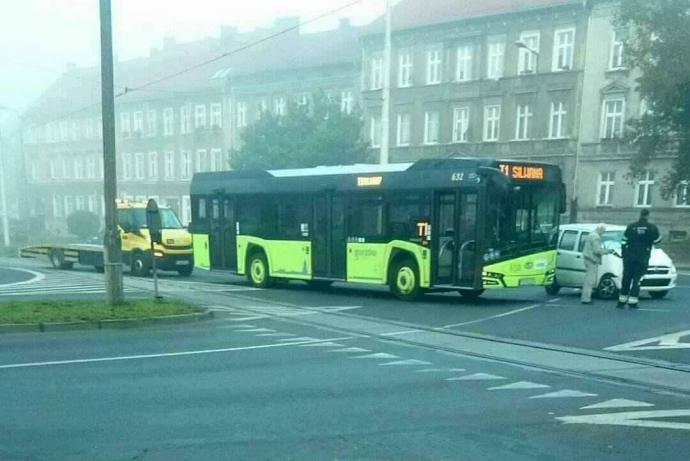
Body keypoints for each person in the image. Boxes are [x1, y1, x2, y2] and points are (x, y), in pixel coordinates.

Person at [617, 209, 662, 309]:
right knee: (638, 279)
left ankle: (621, 301)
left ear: (640, 215)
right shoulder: (651, 228)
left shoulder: (631, 226)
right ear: (647, 216)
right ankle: (633, 301)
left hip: (630, 256)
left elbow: (624, 241)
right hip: (642, 257)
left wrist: (624, 253)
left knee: (627, 277)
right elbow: (657, 240)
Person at [581, 223, 612, 304]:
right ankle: (586, 299)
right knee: (589, 281)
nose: (603, 233)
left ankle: (586, 297)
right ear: (600, 229)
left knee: (588, 280)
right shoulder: (596, 237)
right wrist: (606, 251)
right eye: (603, 231)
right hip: (592, 260)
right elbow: (597, 251)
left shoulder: (591, 234)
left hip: (588, 259)